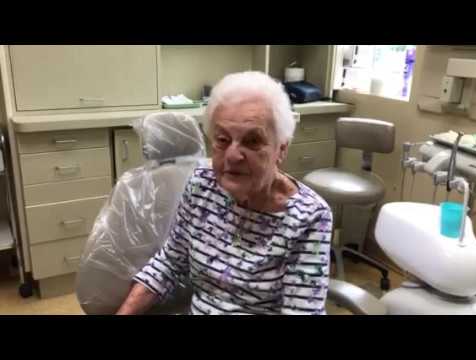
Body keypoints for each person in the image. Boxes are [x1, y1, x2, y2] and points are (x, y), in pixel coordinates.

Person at [116, 71, 332, 315]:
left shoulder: (309, 217)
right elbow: (169, 262)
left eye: (252, 141)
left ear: (281, 149)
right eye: (222, 139)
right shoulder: (200, 185)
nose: (232, 155)